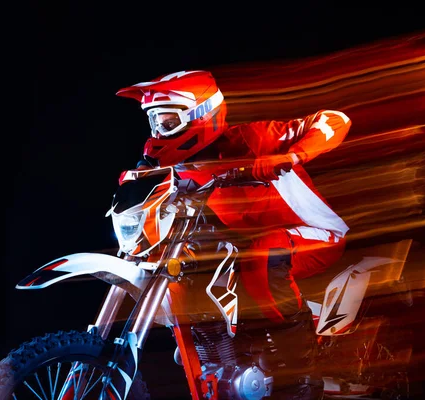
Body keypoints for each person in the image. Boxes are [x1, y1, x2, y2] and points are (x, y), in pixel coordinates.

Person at [116, 70, 351, 399]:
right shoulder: (181, 171)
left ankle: (303, 380)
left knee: (262, 256)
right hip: (246, 249)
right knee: (191, 276)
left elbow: (333, 119)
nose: (159, 133)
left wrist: (289, 156)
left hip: (316, 234)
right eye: (156, 124)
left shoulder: (252, 139)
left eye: (168, 123)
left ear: (201, 116)